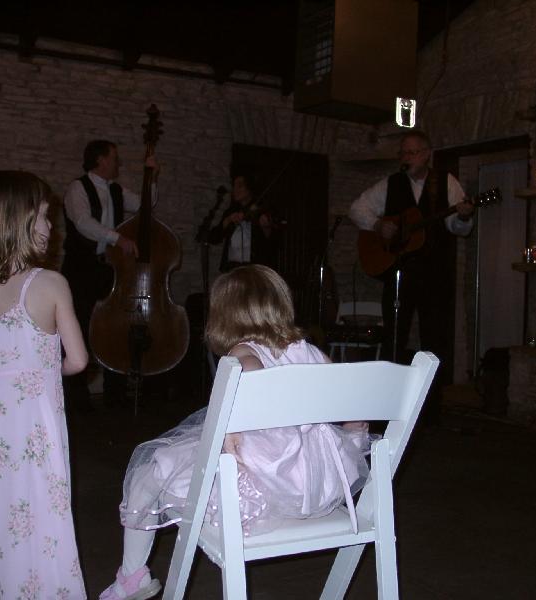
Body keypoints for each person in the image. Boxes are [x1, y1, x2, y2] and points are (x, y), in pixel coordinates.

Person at [99, 265, 370, 600]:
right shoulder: (311, 351)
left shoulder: (243, 353)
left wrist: (235, 423)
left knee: (147, 474)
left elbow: (251, 371)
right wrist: (352, 439)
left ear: (224, 316)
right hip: (319, 488)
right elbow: (354, 412)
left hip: (264, 486)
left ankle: (131, 577)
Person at [0, 171, 89, 599]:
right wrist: (36, 373)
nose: (50, 226)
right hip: (32, 436)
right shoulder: (49, 284)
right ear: (15, 221)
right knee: (37, 515)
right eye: (42, 216)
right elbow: (78, 361)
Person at [349, 129, 474, 424]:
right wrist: (378, 225)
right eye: (403, 153)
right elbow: (357, 208)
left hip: (434, 273)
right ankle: (389, 406)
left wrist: (464, 215)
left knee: (434, 338)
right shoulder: (391, 184)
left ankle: (430, 410)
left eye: (413, 152)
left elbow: (459, 228)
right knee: (394, 335)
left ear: (427, 154)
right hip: (400, 273)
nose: (407, 157)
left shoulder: (446, 182)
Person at [61, 140, 157, 410]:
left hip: (108, 269)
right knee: (78, 326)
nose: (118, 163)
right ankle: (75, 398)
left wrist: (152, 176)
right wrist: (117, 239)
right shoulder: (77, 188)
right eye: (114, 157)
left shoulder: (115, 189)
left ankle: (114, 393)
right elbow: (83, 223)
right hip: (81, 268)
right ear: (100, 160)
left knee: (114, 326)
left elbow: (145, 204)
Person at [207, 174, 277, 272]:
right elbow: (213, 238)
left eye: (240, 186)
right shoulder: (230, 211)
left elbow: (273, 244)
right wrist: (227, 221)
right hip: (232, 269)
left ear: (249, 188)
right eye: (234, 186)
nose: (235, 190)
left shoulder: (261, 210)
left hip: (254, 269)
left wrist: (266, 228)